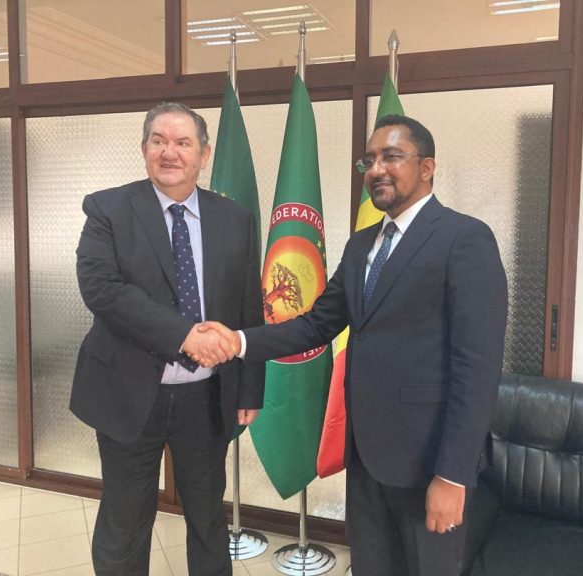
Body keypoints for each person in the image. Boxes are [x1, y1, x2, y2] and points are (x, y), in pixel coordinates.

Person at [196, 115, 508, 576]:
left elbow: (477, 369)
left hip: (428, 461)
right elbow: (316, 324)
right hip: (366, 455)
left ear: (426, 167)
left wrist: (453, 475)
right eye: (369, 160)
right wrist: (239, 340)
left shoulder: (464, 238)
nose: (376, 169)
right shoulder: (362, 245)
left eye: (392, 156)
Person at [70, 102, 264, 576]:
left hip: (207, 396)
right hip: (129, 391)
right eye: (158, 141)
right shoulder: (108, 209)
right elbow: (102, 291)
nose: (169, 152)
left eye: (182, 142)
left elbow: (248, 308)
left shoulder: (235, 219)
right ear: (144, 149)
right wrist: (184, 336)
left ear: (204, 154)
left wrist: (250, 388)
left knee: (208, 516)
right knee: (125, 518)